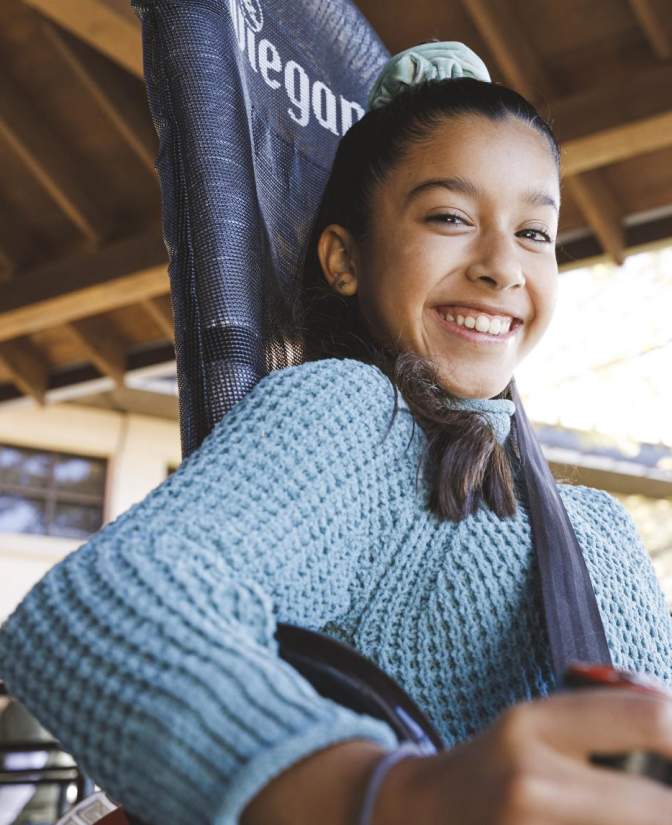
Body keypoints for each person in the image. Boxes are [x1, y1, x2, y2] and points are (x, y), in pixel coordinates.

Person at [2, 41, 672, 825]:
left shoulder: (600, 524)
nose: (501, 264)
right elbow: (103, 609)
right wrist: (380, 794)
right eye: (451, 217)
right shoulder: (359, 418)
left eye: (535, 232)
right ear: (345, 260)